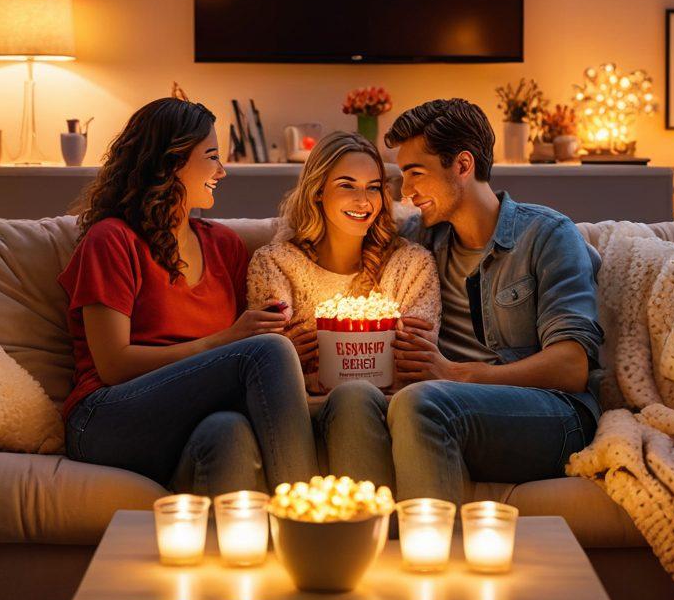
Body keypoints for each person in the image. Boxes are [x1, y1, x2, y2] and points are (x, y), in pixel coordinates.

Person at [324, 99, 604, 504]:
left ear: (462, 165)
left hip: (553, 413)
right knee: (358, 400)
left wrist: (456, 373)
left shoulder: (547, 236)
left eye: (416, 174)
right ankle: (367, 545)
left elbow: (571, 366)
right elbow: (341, 232)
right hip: (447, 401)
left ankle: (434, 557)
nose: (407, 192)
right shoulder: (420, 241)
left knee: (420, 402)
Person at [58, 98, 319, 497]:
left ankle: (228, 552)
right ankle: (309, 514)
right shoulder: (112, 239)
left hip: (185, 420)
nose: (222, 171)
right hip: (104, 416)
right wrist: (229, 340)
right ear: (170, 161)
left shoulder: (224, 246)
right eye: (211, 156)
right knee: (264, 351)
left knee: (226, 431)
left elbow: (226, 370)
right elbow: (113, 364)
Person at [246, 130, 440, 487]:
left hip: (386, 414)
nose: (363, 200)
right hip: (298, 416)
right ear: (318, 190)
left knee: (354, 395)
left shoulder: (410, 265)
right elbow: (266, 370)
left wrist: (335, 367)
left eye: (374, 187)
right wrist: (305, 375)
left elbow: (414, 367)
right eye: (348, 185)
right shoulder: (276, 264)